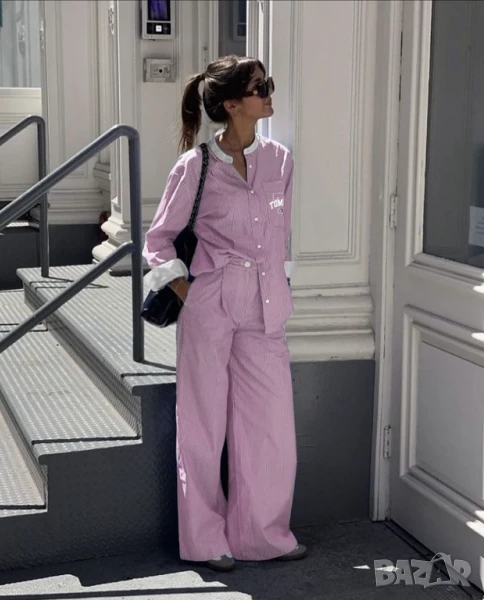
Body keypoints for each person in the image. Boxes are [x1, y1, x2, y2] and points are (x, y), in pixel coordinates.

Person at [143, 55, 306, 572]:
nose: (269, 94)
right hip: (210, 304)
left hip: (265, 308)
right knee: (202, 425)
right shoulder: (195, 167)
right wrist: (183, 285)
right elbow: (158, 239)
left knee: (271, 428)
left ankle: (264, 535)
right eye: (260, 88)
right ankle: (205, 539)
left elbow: (280, 238)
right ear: (232, 104)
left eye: (268, 84)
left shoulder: (280, 160)